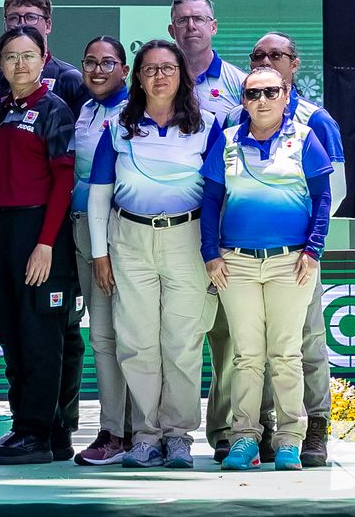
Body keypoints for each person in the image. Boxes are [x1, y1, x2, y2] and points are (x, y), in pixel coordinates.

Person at [88, 39, 224, 470]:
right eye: (150, 69)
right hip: (129, 240)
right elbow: (98, 197)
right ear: (138, 77)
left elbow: (217, 194)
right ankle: (145, 435)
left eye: (168, 68)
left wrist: (210, 250)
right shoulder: (118, 127)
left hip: (186, 239)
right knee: (136, 340)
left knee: (182, 342)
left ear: (182, 75)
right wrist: (100, 254)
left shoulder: (207, 126)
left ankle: (178, 435)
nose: (159, 76)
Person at [202, 67, 332, 472]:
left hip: (290, 263)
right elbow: (210, 201)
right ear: (243, 99)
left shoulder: (305, 139)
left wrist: (312, 251)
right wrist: (210, 253)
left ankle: (290, 440)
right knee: (246, 355)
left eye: (270, 92)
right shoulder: (225, 142)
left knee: (286, 354)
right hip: (235, 263)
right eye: (253, 93)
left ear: (285, 93)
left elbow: (322, 198)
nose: (261, 100)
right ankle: (244, 439)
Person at [0, 26, 79, 466]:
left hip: (40, 229)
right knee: (11, 331)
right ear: (0, 64)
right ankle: (38, 429)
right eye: (11, 57)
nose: (21, 64)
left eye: (29, 56)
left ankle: (37, 434)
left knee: (41, 335)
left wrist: (45, 242)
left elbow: (63, 181)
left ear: (44, 59)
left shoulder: (54, 109)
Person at [243, 32, 347, 467]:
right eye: (259, 56)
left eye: (277, 55)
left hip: (299, 254)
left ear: (295, 64)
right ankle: (266, 429)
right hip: (249, 256)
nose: (268, 60)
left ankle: (316, 428)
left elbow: (334, 190)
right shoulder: (242, 114)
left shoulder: (316, 119)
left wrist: (308, 245)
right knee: (255, 345)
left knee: (305, 342)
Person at [167, 0, 245, 457]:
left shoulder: (238, 83)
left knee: (230, 339)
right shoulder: (159, 78)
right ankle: (164, 432)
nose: (191, 26)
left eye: (200, 19)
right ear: (172, 28)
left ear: (213, 26)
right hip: (171, 226)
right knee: (173, 334)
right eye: (183, 20)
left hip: (227, 226)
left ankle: (224, 433)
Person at [70, 36, 132, 467]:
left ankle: (119, 432)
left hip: (116, 236)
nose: (97, 70)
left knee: (111, 336)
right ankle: (120, 428)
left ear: (125, 70)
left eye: (107, 62)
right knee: (100, 336)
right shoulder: (86, 111)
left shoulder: (135, 114)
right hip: (79, 230)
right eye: (90, 62)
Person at [0, 0, 88, 118]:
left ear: (48, 25)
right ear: (5, 25)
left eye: (31, 17)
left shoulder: (69, 79)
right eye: (13, 18)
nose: (22, 24)